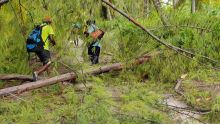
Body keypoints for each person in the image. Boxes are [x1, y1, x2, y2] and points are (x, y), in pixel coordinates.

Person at [32, 16, 56, 81]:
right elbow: (51, 38)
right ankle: (36, 73)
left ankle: (50, 78)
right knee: (49, 62)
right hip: (44, 48)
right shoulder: (48, 27)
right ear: (49, 22)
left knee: (46, 63)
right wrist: (54, 42)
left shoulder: (39, 27)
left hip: (36, 48)